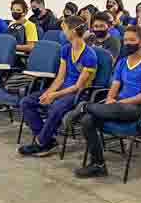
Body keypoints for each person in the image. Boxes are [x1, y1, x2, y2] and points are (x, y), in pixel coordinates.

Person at [73, 26, 141, 178]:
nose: (127, 43)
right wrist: (110, 99)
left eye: (132, 40)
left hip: (137, 108)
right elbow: (115, 86)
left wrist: (121, 102)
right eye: (125, 40)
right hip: (118, 105)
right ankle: (98, 165)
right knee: (87, 121)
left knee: (118, 108)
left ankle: (85, 107)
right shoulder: (122, 62)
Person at [18, 16, 97, 157]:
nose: (62, 32)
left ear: (73, 31)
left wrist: (54, 95)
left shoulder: (89, 55)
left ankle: (40, 143)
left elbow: (78, 86)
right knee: (26, 102)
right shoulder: (65, 49)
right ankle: (48, 140)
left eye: (64, 29)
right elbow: (60, 78)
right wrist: (48, 93)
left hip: (78, 94)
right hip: (63, 89)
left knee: (56, 107)